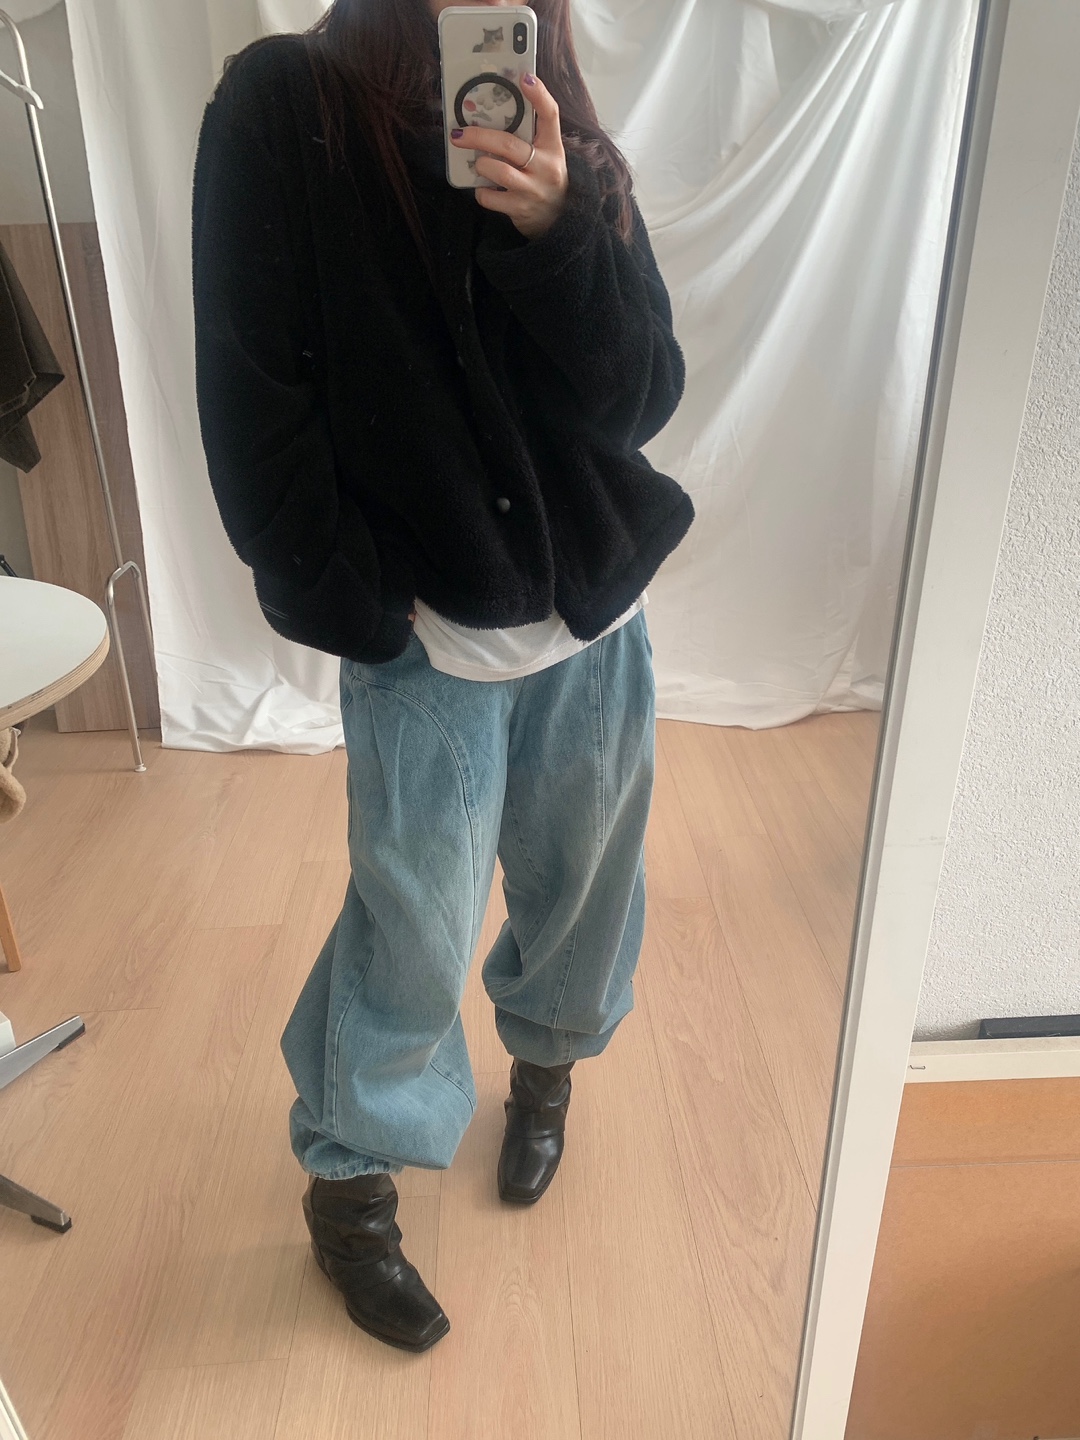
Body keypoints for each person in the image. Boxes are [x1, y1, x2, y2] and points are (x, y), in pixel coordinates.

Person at [191, 0, 693, 1354]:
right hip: (426, 628)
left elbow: (644, 393)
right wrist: (357, 602)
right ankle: (352, 1192)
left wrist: (561, 230)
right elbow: (251, 399)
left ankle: (545, 1076)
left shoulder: (554, 118)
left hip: (594, 613)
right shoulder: (283, 104)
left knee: (586, 888)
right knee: (411, 925)